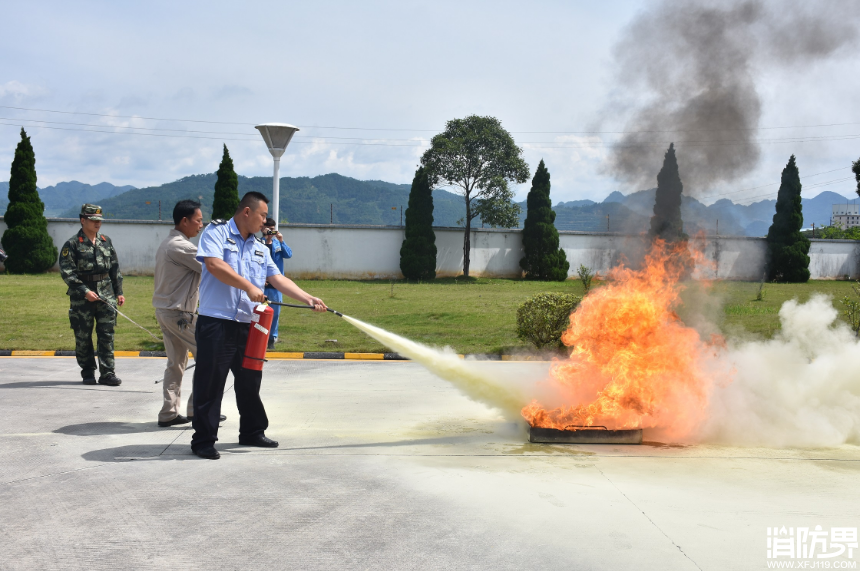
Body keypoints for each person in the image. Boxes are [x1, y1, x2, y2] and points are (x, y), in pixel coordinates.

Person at [190, 192, 327, 460]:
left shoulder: (259, 247)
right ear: (247, 213)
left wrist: (308, 298)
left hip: (248, 324)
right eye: (263, 215)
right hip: (216, 321)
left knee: (250, 381)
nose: (266, 221)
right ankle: (203, 440)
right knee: (211, 383)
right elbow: (215, 265)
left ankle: (252, 431)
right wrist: (250, 286)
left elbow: (277, 279)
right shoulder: (216, 232)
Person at [59, 204, 125, 386]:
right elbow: (67, 272)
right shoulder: (72, 244)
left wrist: (119, 292)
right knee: (83, 336)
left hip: (106, 295)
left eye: (99, 220)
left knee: (106, 335)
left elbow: (114, 269)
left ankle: (107, 373)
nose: (97, 223)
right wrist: (85, 291)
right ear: (83, 220)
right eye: (93, 220)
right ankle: (88, 371)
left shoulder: (106, 241)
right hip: (82, 299)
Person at [152, 200, 204, 427]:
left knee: (176, 364)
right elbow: (212, 265)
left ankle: (169, 413)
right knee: (209, 357)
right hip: (180, 314)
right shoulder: (182, 247)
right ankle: (198, 410)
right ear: (184, 221)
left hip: (167, 310)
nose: (201, 225)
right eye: (198, 220)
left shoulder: (168, 243)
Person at [262, 217, 292, 350]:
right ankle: (259, 337)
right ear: (262, 228)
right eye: (268, 229)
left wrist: (281, 240)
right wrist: (267, 240)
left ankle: (271, 339)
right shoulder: (257, 243)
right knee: (259, 312)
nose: (270, 231)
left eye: (272, 229)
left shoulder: (278, 244)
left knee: (275, 313)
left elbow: (289, 255)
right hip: (261, 286)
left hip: (276, 286)